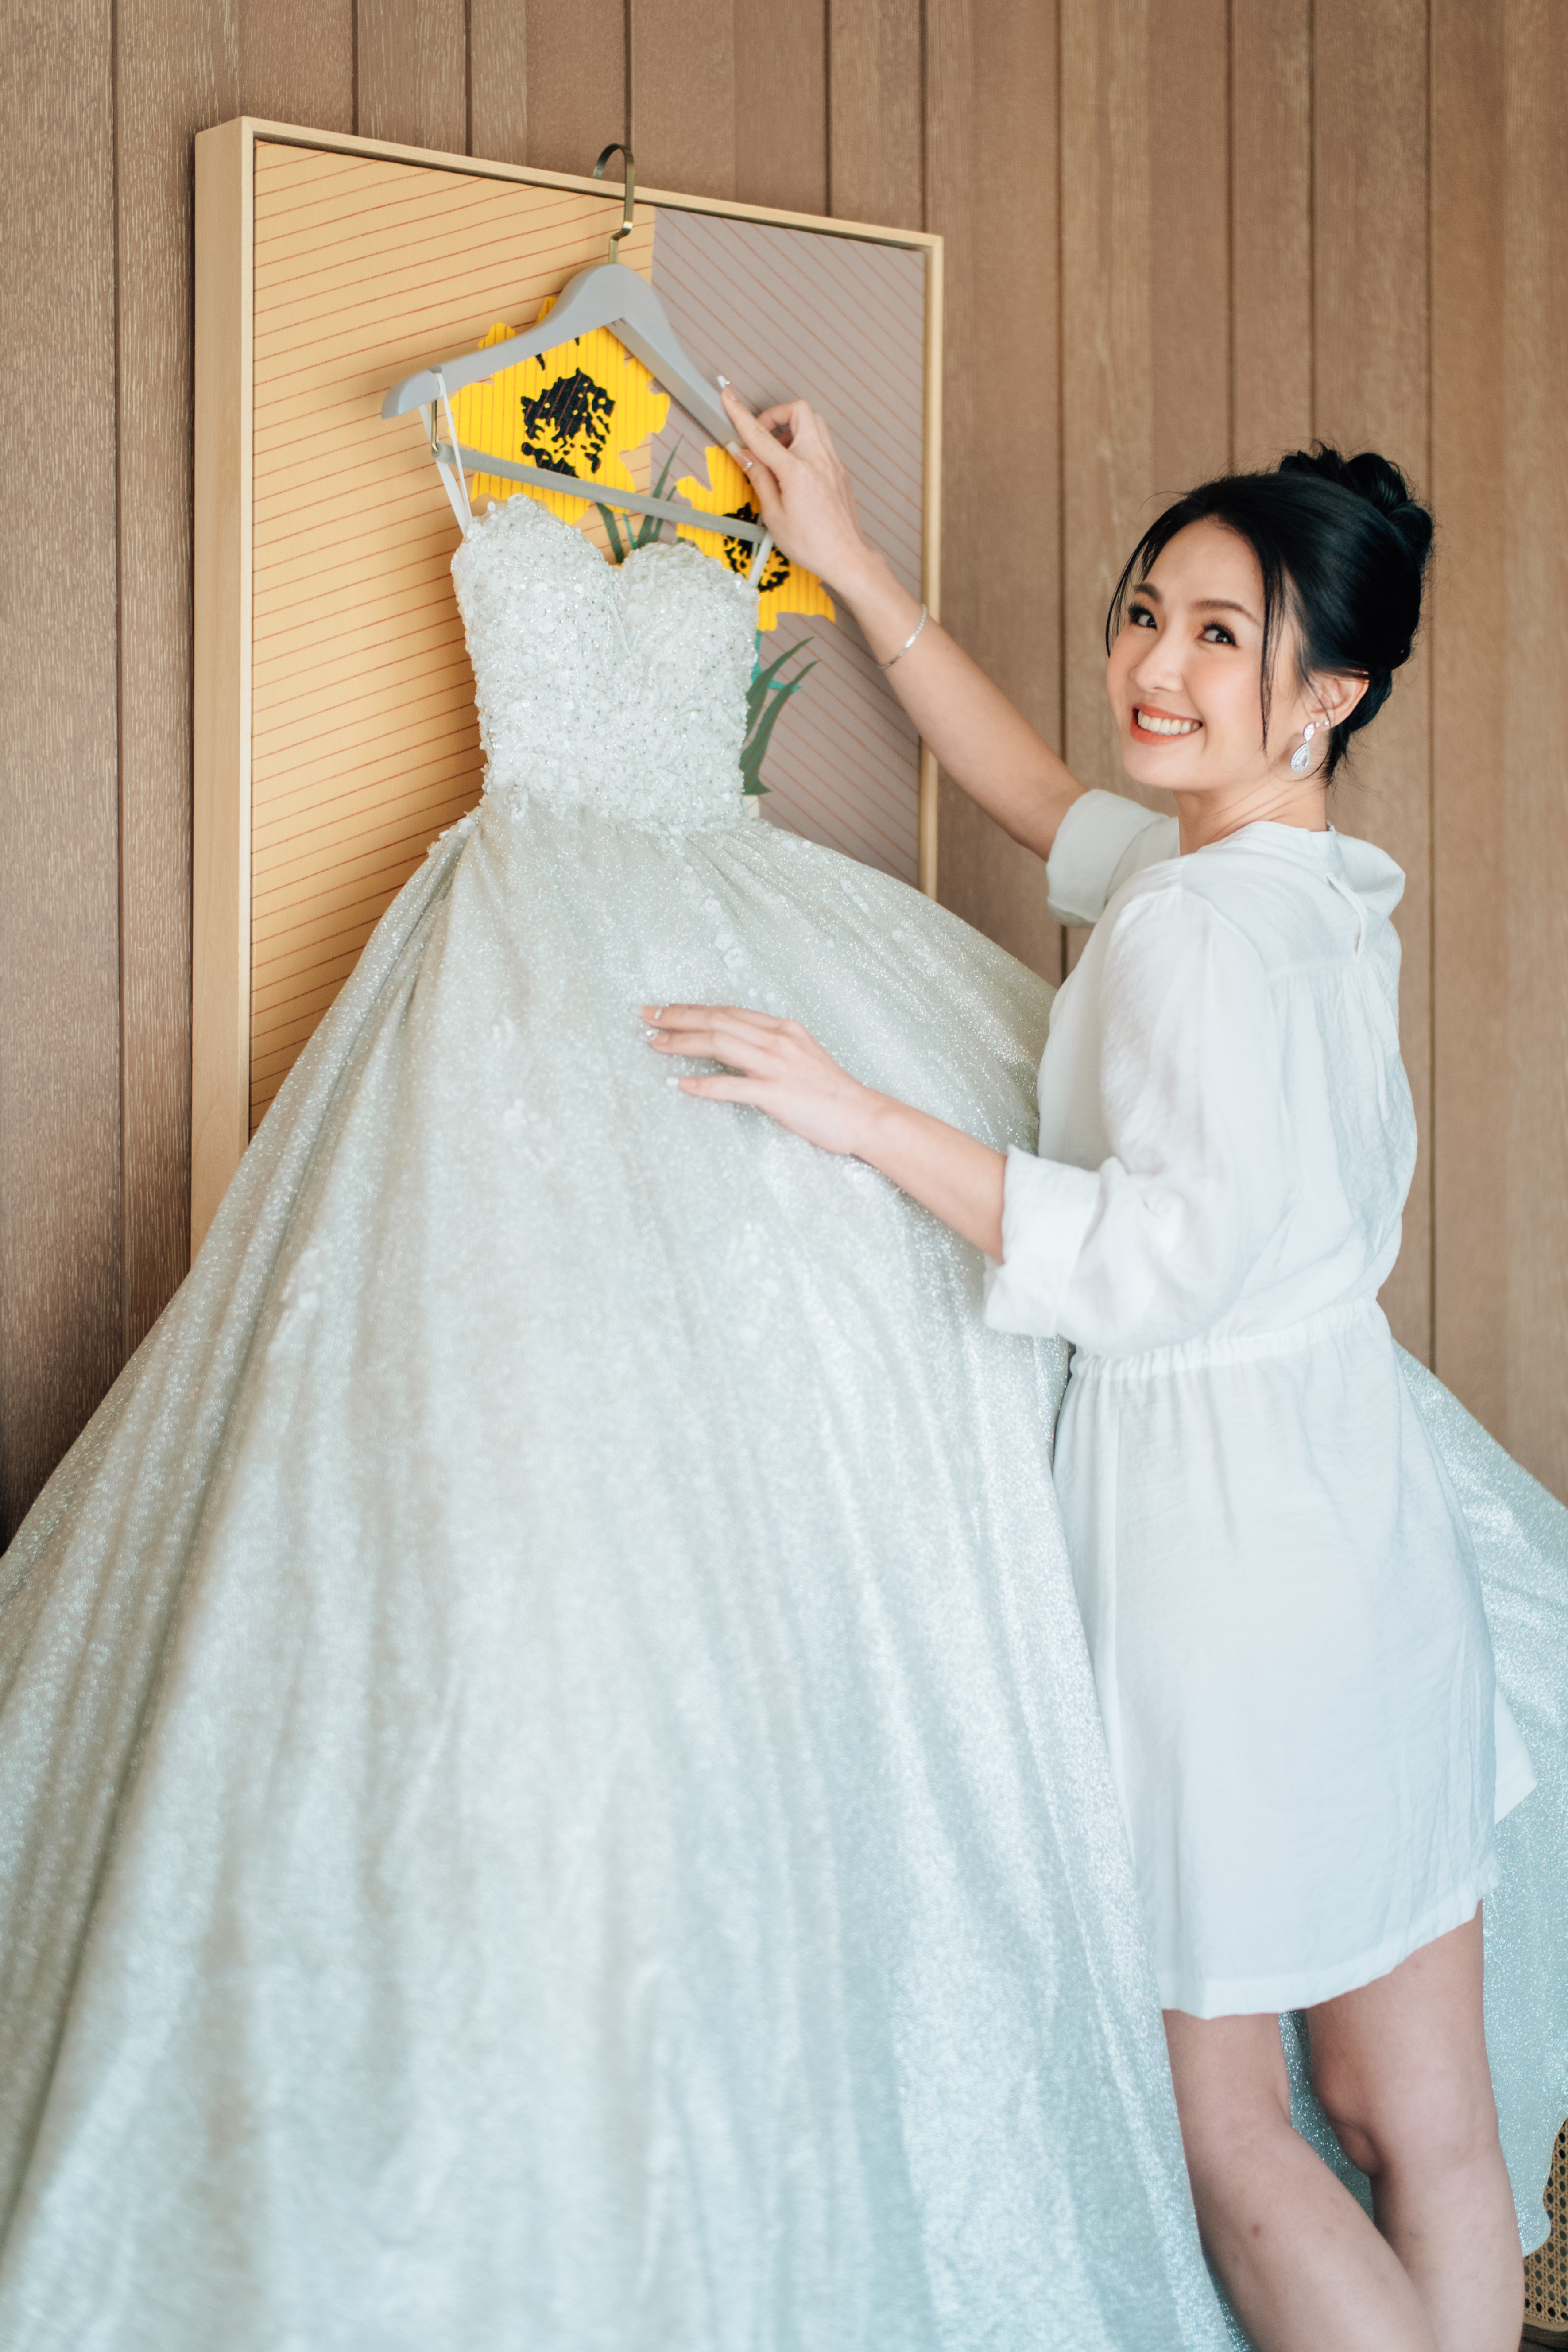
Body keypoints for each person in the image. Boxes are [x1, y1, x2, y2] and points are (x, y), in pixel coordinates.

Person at [647, 385, 1560, 2352]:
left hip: (1215, 1554)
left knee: (1232, 2123)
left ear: (1327, 692)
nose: (1154, 664)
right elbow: (1056, 807)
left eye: (1217, 635)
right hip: (1366, 1533)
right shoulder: (1315, 891)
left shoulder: (1193, 938)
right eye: (1147, 610)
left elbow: (1143, 1260)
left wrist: (856, 1113)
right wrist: (851, 557)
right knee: (1434, 2128)